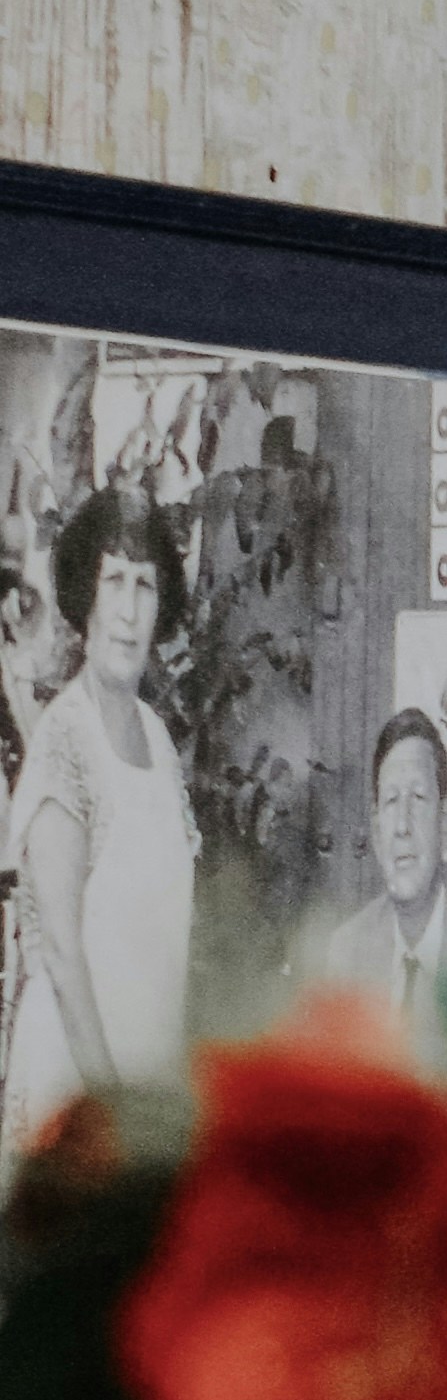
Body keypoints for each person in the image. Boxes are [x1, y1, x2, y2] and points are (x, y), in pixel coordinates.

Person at [0, 486, 201, 1156]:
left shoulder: (159, 740)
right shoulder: (65, 741)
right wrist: (112, 1111)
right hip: (78, 1094)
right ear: (85, 599)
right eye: (113, 579)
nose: (127, 609)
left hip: (144, 1074)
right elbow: (59, 954)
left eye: (144, 584)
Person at [322, 707, 447, 1016]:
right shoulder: (345, 953)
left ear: (446, 821)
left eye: (419, 798)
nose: (402, 826)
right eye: (391, 801)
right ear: (375, 829)